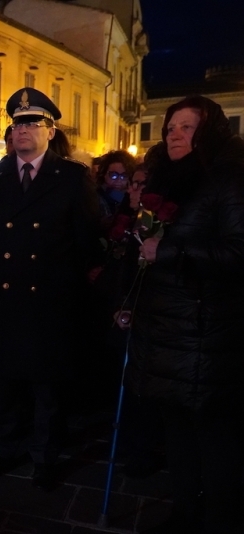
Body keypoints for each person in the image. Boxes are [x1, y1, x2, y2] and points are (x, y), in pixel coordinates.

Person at [121, 95, 244, 534]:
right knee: (177, 433)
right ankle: (185, 511)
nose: (173, 133)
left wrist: (168, 250)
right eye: (171, 126)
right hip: (165, 330)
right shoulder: (169, 180)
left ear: (208, 133)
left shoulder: (228, 179)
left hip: (204, 335)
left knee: (212, 437)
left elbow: (237, 250)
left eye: (186, 127)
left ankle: (219, 519)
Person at [0, 87, 99, 490]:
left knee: (46, 386)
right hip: (5, 298)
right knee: (5, 382)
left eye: (32, 122)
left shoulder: (71, 177)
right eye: (17, 122)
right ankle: (4, 448)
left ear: (50, 129)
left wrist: (66, 289)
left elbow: (86, 241)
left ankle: (44, 455)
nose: (23, 129)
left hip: (49, 299)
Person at [96, 150, 136, 230]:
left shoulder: (133, 199)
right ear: (103, 174)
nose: (118, 180)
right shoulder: (95, 198)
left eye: (124, 176)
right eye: (113, 175)